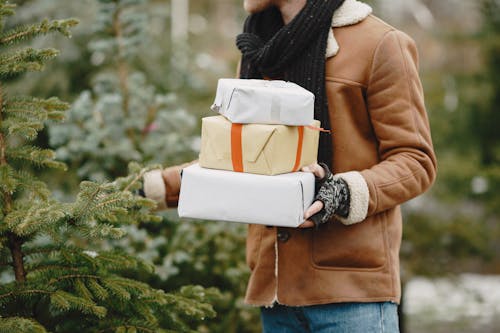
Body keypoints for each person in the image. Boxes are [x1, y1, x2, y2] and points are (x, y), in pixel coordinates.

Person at [143, 0, 437, 331]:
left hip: (351, 296)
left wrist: (342, 191)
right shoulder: (261, 49)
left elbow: (415, 161)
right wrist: (154, 188)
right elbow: (244, 158)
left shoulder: (380, 44)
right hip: (277, 294)